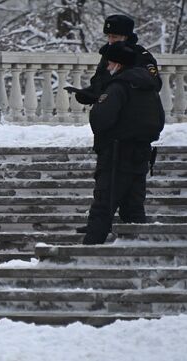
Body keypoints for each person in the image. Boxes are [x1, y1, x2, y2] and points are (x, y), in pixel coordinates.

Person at [81, 41, 164, 245]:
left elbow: (101, 119)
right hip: (141, 155)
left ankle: (88, 256)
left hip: (116, 155)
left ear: (118, 64)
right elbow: (159, 120)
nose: (108, 67)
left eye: (110, 64)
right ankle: (138, 253)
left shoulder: (118, 87)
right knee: (134, 208)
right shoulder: (148, 87)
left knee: (103, 207)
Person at [65, 14, 161, 105]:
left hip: (133, 112)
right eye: (109, 36)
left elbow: (155, 82)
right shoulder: (107, 54)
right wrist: (89, 93)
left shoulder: (141, 55)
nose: (110, 41)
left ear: (126, 37)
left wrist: (124, 77)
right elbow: (99, 81)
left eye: (114, 37)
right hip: (109, 111)